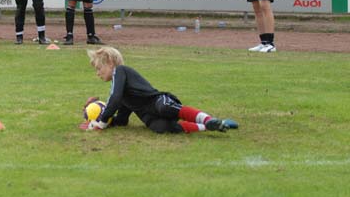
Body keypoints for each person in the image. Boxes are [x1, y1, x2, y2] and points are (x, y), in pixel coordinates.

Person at [85, 46, 239, 133]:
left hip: (157, 101)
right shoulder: (121, 92)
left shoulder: (120, 71)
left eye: (99, 68)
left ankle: (208, 119)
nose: (97, 73)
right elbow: (122, 120)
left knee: (164, 107)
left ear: (111, 63)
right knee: (160, 128)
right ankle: (210, 126)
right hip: (147, 115)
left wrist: (102, 121)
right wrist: (97, 121)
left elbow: (114, 98)